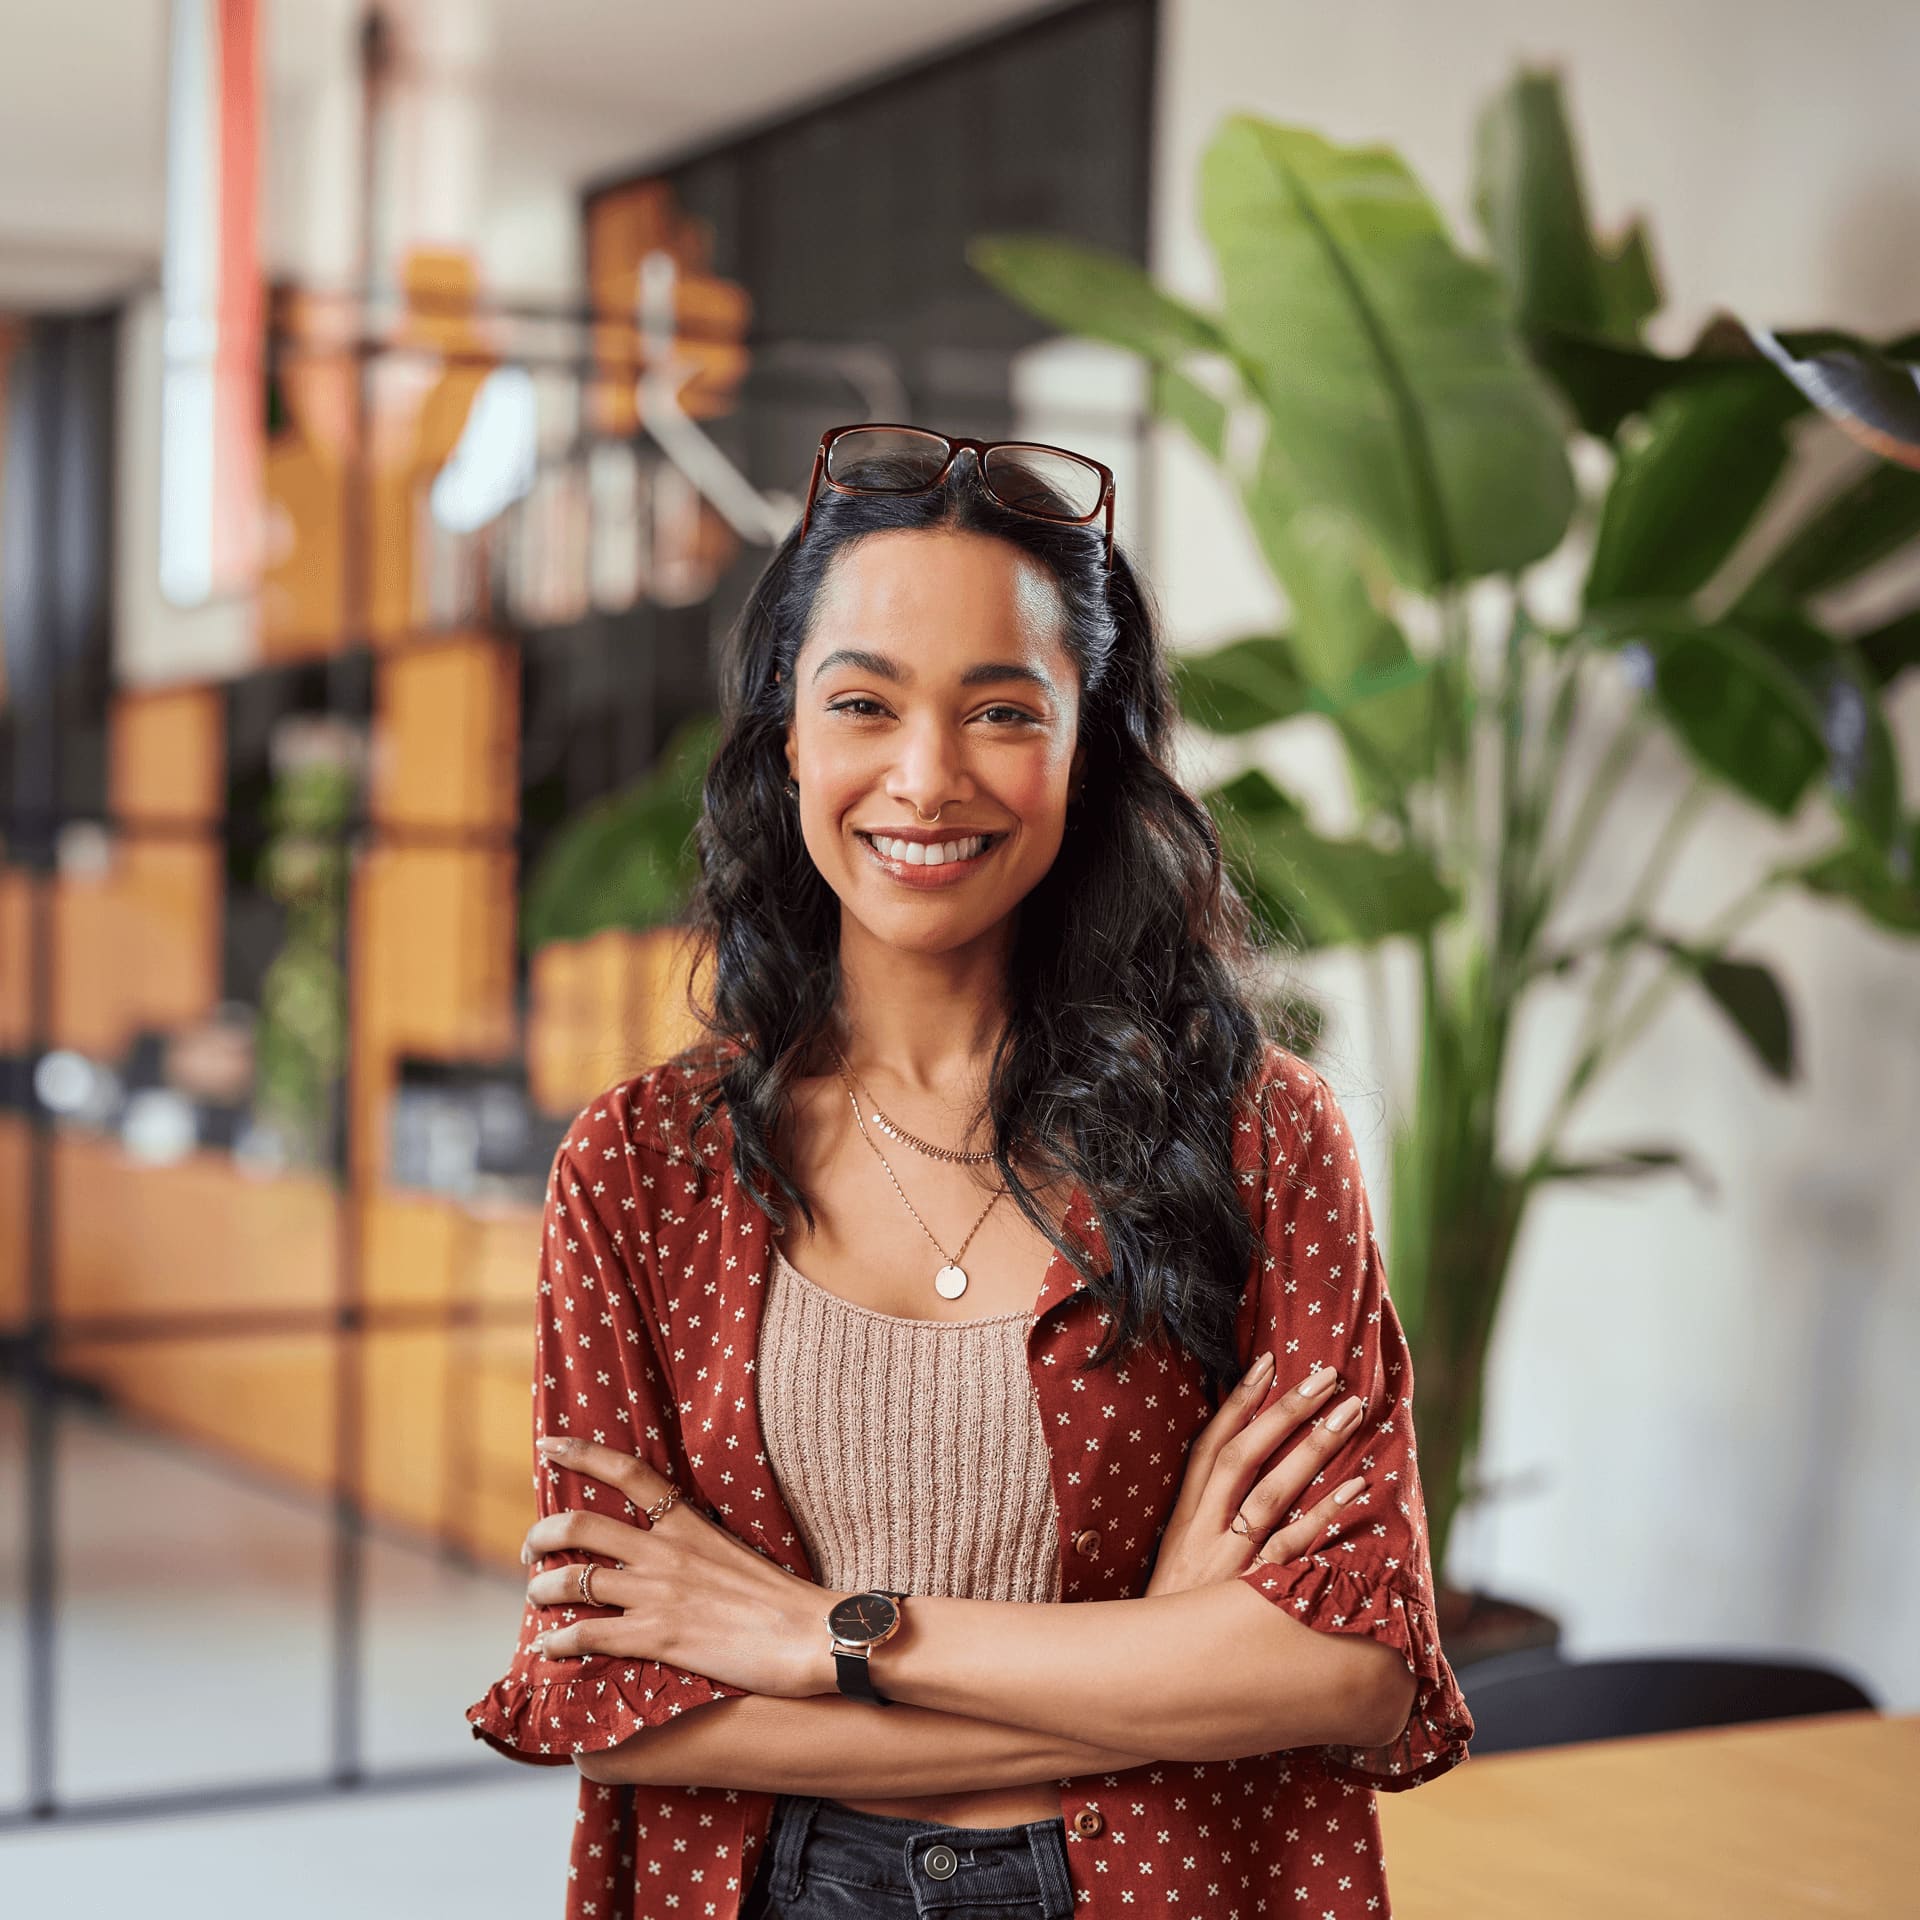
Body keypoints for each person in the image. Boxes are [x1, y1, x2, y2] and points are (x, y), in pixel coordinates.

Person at [466, 425, 1474, 1920]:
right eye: (864, 701)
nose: (926, 780)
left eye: (1002, 709)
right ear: (789, 737)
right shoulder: (640, 1169)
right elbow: (618, 1712)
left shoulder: (1259, 1139)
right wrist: (1172, 1653)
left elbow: (1350, 1671)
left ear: (1088, 744)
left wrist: (826, 1637)